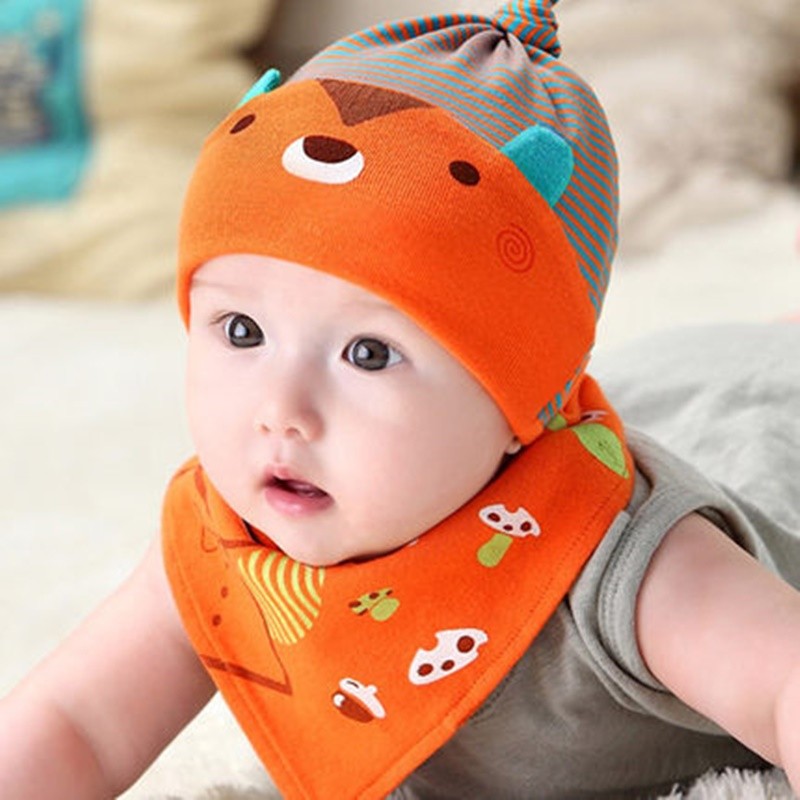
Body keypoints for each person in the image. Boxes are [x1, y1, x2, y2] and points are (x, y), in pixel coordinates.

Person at [2, 1, 800, 798]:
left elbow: (783, 684)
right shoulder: (226, 540)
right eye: (242, 331)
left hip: (758, 411)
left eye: (369, 353)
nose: (281, 409)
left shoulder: (628, 559)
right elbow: (80, 724)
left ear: (522, 395)